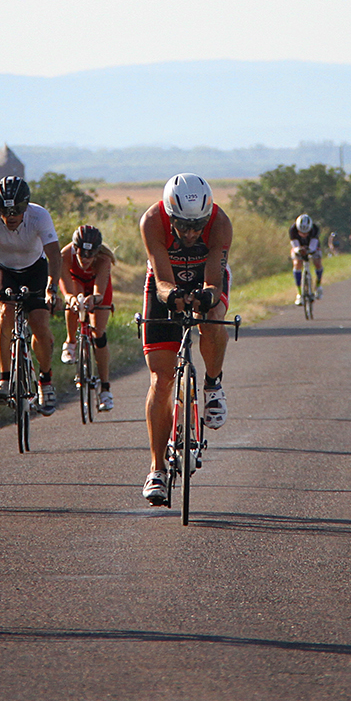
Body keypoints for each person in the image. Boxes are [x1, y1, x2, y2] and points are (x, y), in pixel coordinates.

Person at [138, 173, 232, 505]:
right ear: (169, 214)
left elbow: (213, 281)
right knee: (161, 380)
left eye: (197, 226)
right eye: (183, 226)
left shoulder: (220, 222)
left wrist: (205, 298)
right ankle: (157, 469)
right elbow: (162, 280)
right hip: (166, 280)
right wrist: (172, 297)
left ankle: (213, 385)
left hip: (205, 278)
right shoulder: (152, 221)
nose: (191, 233)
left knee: (213, 316)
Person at [0, 176, 65, 415]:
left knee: (39, 322)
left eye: (17, 210)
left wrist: (52, 288)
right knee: (6, 312)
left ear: (26, 205)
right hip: (2, 269)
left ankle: (45, 380)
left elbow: (54, 255)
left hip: (35, 269)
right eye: (4, 211)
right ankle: (5, 378)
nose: (11, 216)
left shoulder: (39, 215)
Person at [58, 223, 117, 413]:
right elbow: (66, 289)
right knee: (74, 303)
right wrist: (72, 299)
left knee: (99, 333)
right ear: (75, 248)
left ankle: (105, 389)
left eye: (90, 255)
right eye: (81, 254)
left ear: (97, 252)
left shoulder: (104, 259)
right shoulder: (65, 255)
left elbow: (100, 291)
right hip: (76, 281)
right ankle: (71, 342)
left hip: (97, 286)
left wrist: (95, 299)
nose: (85, 259)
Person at [288, 213, 324, 304]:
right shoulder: (292, 230)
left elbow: (313, 246)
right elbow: (295, 246)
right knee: (297, 263)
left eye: (306, 233)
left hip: (312, 244)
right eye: (301, 232)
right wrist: (299, 250)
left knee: (317, 263)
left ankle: (318, 286)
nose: (304, 235)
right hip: (299, 245)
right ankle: (299, 294)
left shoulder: (315, 229)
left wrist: (309, 250)